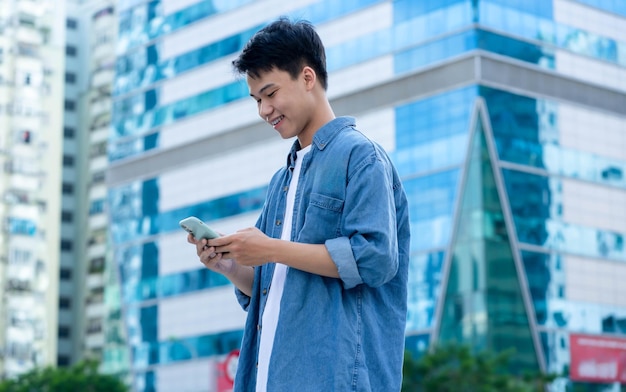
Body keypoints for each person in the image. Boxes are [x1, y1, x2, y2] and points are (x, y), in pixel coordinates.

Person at [188, 17, 410, 392]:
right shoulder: (282, 180)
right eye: (257, 99)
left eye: (271, 93)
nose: (263, 110)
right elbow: (272, 285)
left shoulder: (361, 157)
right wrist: (229, 266)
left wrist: (271, 249)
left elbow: (374, 258)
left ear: (307, 78)